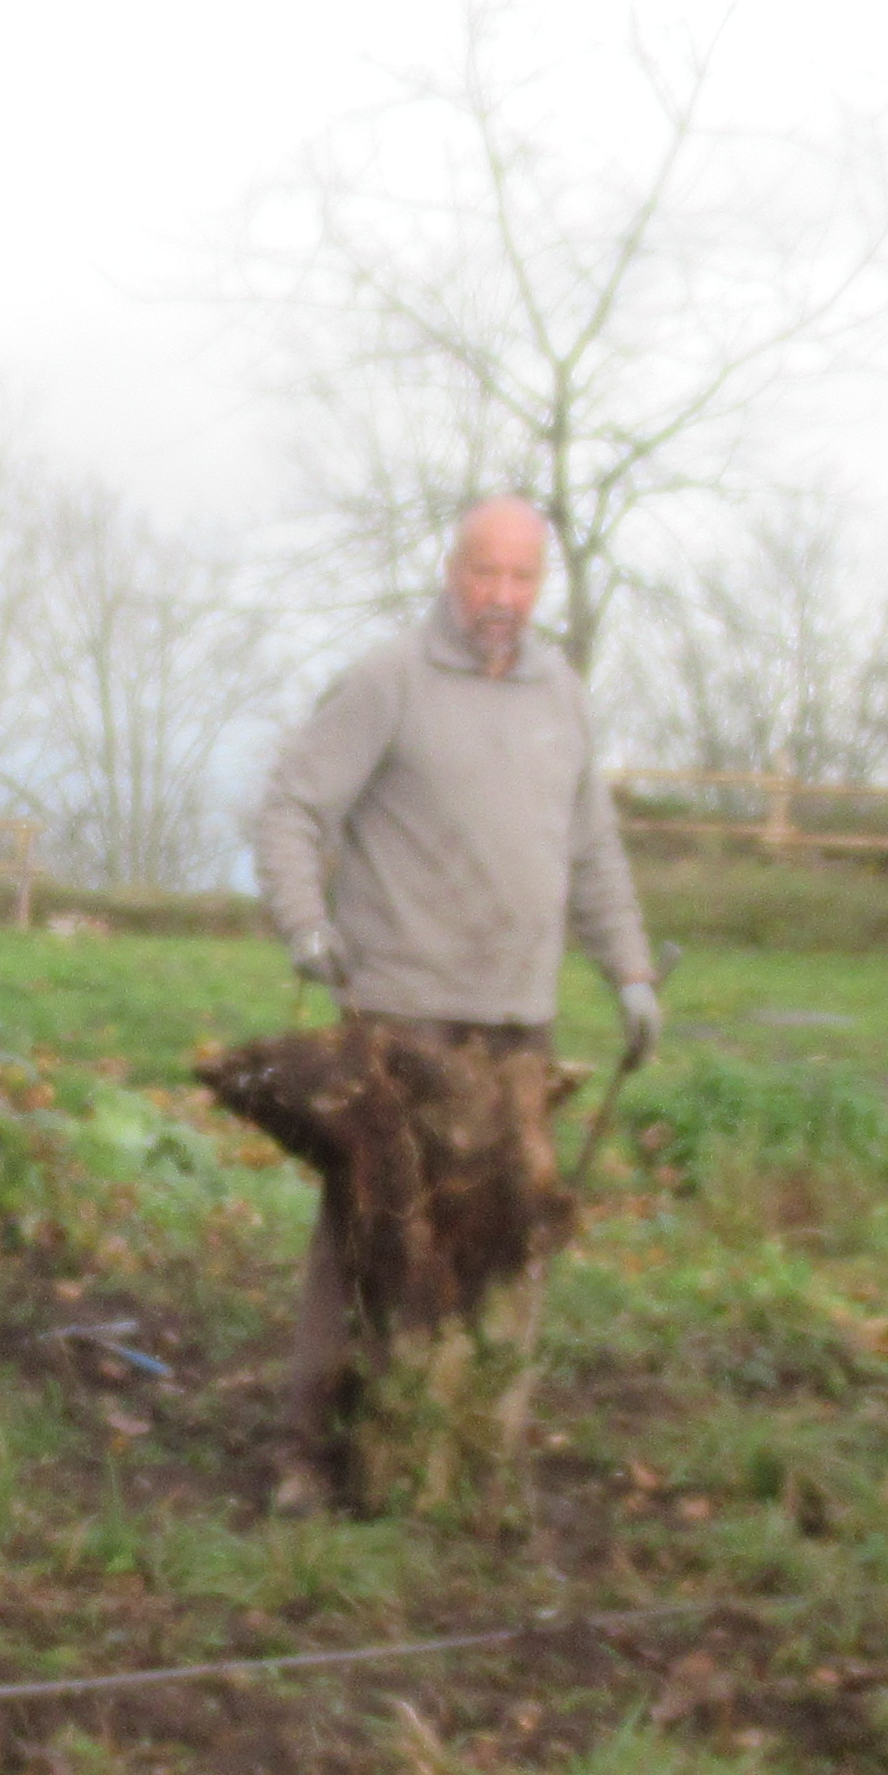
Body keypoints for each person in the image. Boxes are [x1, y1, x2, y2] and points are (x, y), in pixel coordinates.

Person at [248, 496, 661, 1503]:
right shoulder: (389, 679)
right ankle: (311, 1452)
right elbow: (292, 807)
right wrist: (305, 925)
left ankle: (466, 1451)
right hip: (404, 1009)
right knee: (369, 1228)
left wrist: (633, 974)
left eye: (522, 577)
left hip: (518, 1017)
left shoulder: (561, 694)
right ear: (452, 571)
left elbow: (594, 852)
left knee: (504, 1238)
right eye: (486, 573)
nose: (502, 596)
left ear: (541, 585)